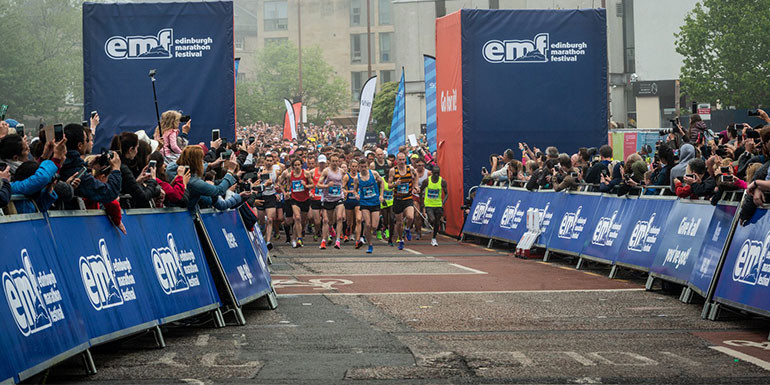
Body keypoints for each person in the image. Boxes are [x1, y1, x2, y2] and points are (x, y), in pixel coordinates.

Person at [60, 123, 123, 209]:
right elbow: (108, 193)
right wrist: (116, 169)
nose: (89, 143)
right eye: (87, 140)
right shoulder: (78, 175)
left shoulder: (59, 164)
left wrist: (87, 166)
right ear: (80, 145)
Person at [353, 157, 385, 253]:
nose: (363, 168)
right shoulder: (357, 178)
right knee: (367, 224)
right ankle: (370, 245)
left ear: (368, 166)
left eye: (365, 167)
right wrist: (356, 195)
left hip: (375, 201)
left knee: (374, 226)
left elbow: (382, 182)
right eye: (362, 167)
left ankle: (365, 235)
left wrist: (381, 195)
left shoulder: (374, 174)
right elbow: (354, 189)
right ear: (359, 167)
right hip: (364, 202)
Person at [279, 157, 312, 248]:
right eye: (295, 165)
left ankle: (294, 237)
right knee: (297, 218)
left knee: (302, 221)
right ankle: (299, 239)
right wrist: (285, 192)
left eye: (298, 165)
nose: (297, 167)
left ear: (301, 165)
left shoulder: (306, 174)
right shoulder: (290, 175)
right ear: (292, 166)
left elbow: (312, 185)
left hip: (305, 199)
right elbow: (281, 183)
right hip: (294, 199)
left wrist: (306, 185)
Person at [316, 153, 345, 249]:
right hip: (328, 199)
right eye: (333, 161)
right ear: (329, 162)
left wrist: (344, 189)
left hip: (338, 197)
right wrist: (327, 186)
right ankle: (324, 238)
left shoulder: (342, 171)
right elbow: (318, 185)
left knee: (340, 217)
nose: (335, 163)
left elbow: (343, 183)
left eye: (337, 161)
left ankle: (337, 241)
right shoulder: (326, 171)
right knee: (328, 221)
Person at [389, 152, 416, 250]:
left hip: (408, 197)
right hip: (398, 199)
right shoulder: (393, 171)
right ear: (396, 160)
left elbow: (415, 176)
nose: (401, 162)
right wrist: (395, 184)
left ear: (405, 160)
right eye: (399, 160)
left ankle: (407, 228)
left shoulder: (410, 168)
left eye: (403, 159)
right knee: (399, 223)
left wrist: (415, 186)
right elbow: (389, 185)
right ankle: (401, 240)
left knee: (410, 217)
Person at [421, 165, 448, 247]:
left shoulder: (442, 181)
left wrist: (443, 203)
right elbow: (420, 191)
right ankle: (428, 219)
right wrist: (422, 203)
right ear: (432, 173)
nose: (436, 175)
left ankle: (434, 238)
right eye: (435, 173)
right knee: (432, 219)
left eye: (438, 173)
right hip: (429, 204)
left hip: (438, 204)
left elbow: (446, 194)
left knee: (437, 222)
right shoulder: (427, 181)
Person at [343, 158, 362, 245]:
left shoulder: (359, 176)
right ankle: (348, 233)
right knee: (349, 220)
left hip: (357, 200)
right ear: (349, 167)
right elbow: (342, 187)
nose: (354, 168)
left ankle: (356, 236)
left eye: (355, 166)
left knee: (358, 219)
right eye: (352, 166)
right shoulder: (347, 176)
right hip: (349, 200)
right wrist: (345, 191)